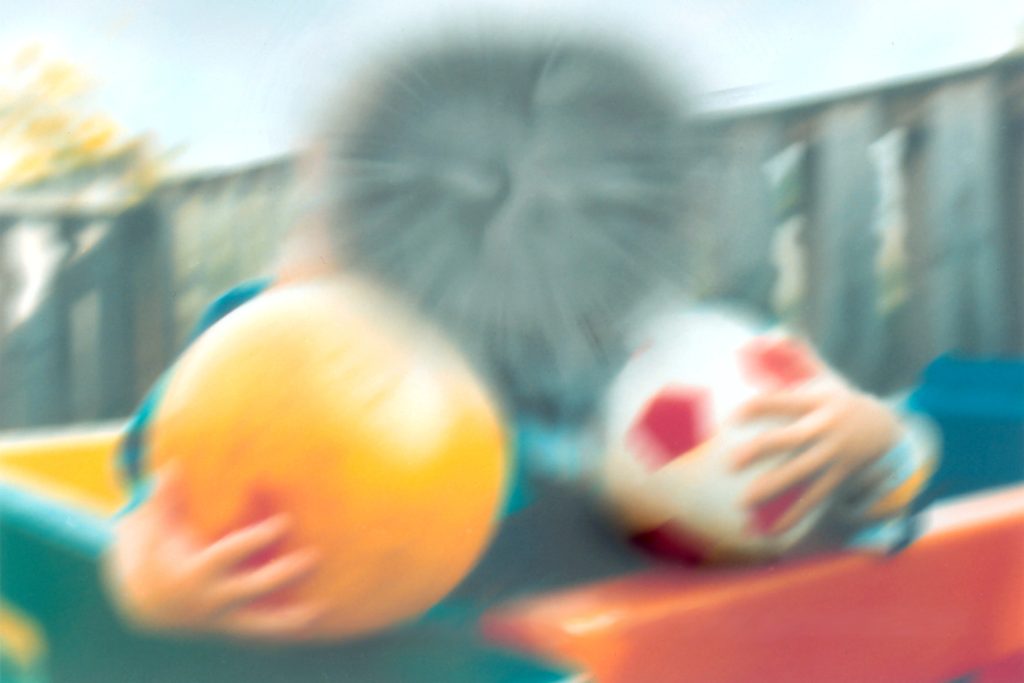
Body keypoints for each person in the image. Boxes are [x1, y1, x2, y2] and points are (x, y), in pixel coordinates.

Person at [103, 23, 936, 640]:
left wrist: (871, 444)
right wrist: (151, 579)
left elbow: (840, 523)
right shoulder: (253, 357)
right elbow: (154, 505)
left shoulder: (628, 385)